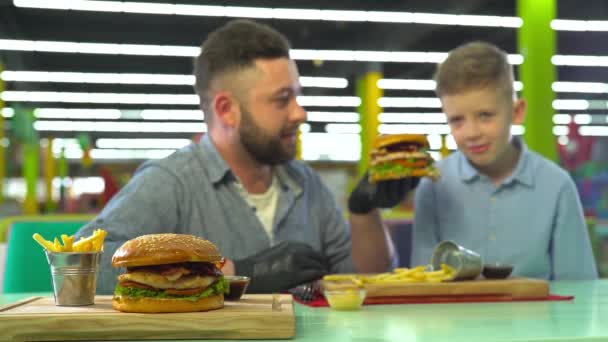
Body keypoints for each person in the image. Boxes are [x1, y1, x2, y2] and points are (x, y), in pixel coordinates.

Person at [77, 19, 408, 295]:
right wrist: (233, 273)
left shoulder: (306, 183)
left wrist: (365, 213)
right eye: (283, 99)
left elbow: (365, 281)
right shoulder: (171, 183)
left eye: (298, 96)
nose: (300, 113)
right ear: (227, 110)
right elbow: (82, 266)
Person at [411, 41, 597, 280]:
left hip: (540, 318)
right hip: (453, 318)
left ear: (517, 112)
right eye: (457, 120)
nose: (471, 132)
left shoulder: (557, 186)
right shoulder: (433, 184)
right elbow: (421, 283)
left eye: (485, 116)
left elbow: (578, 287)